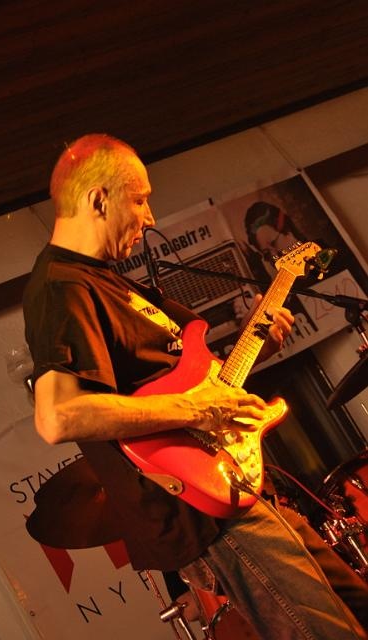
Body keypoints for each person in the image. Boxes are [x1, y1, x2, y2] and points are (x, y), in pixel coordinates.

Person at [23, 133, 367, 639]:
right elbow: (58, 417)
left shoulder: (110, 283)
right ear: (98, 199)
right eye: (140, 200)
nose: (149, 218)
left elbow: (198, 383)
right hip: (199, 512)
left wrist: (257, 346)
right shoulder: (61, 287)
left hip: (240, 487)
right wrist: (197, 409)